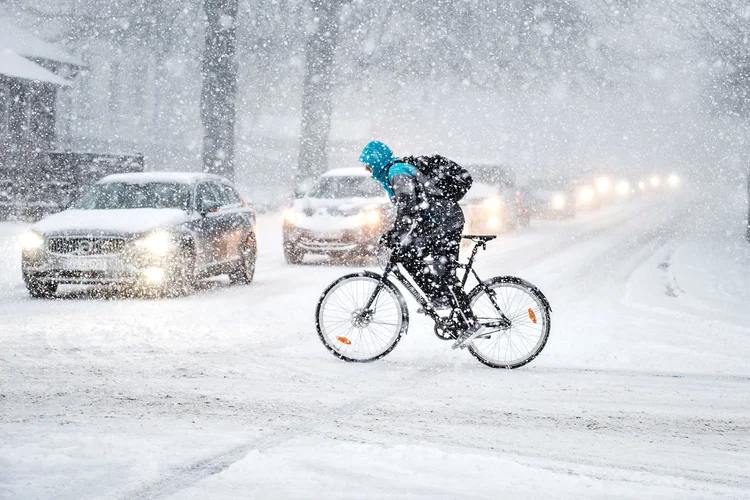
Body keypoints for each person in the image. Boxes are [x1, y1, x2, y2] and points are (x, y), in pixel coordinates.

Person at [359, 140, 485, 349]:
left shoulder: (397, 172)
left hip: (445, 223)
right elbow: (410, 208)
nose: (366, 168)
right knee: (408, 254)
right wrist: (398, 234)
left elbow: (408, 206)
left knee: (444, 271)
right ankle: (439, 297)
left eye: (368, 163)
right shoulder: (394, 171)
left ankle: (469, 324)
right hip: (438, 223)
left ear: (377, 160)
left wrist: (396, 234)